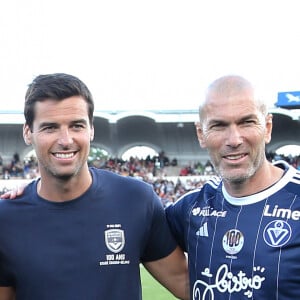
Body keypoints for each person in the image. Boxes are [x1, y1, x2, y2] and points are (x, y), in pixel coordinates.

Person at [0, 73, 189, 300]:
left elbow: (185, 283)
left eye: (76, 126)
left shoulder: (136, 199)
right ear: (28, 132)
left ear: (91, 129)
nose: (66, 139)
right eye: (50, 128)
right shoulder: (6, 219)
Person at [165, 75, 300, 299]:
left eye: (247, 122)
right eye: (219, 125)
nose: (234, 139)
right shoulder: (189, 209)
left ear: (267, 127)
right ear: (201, 134)